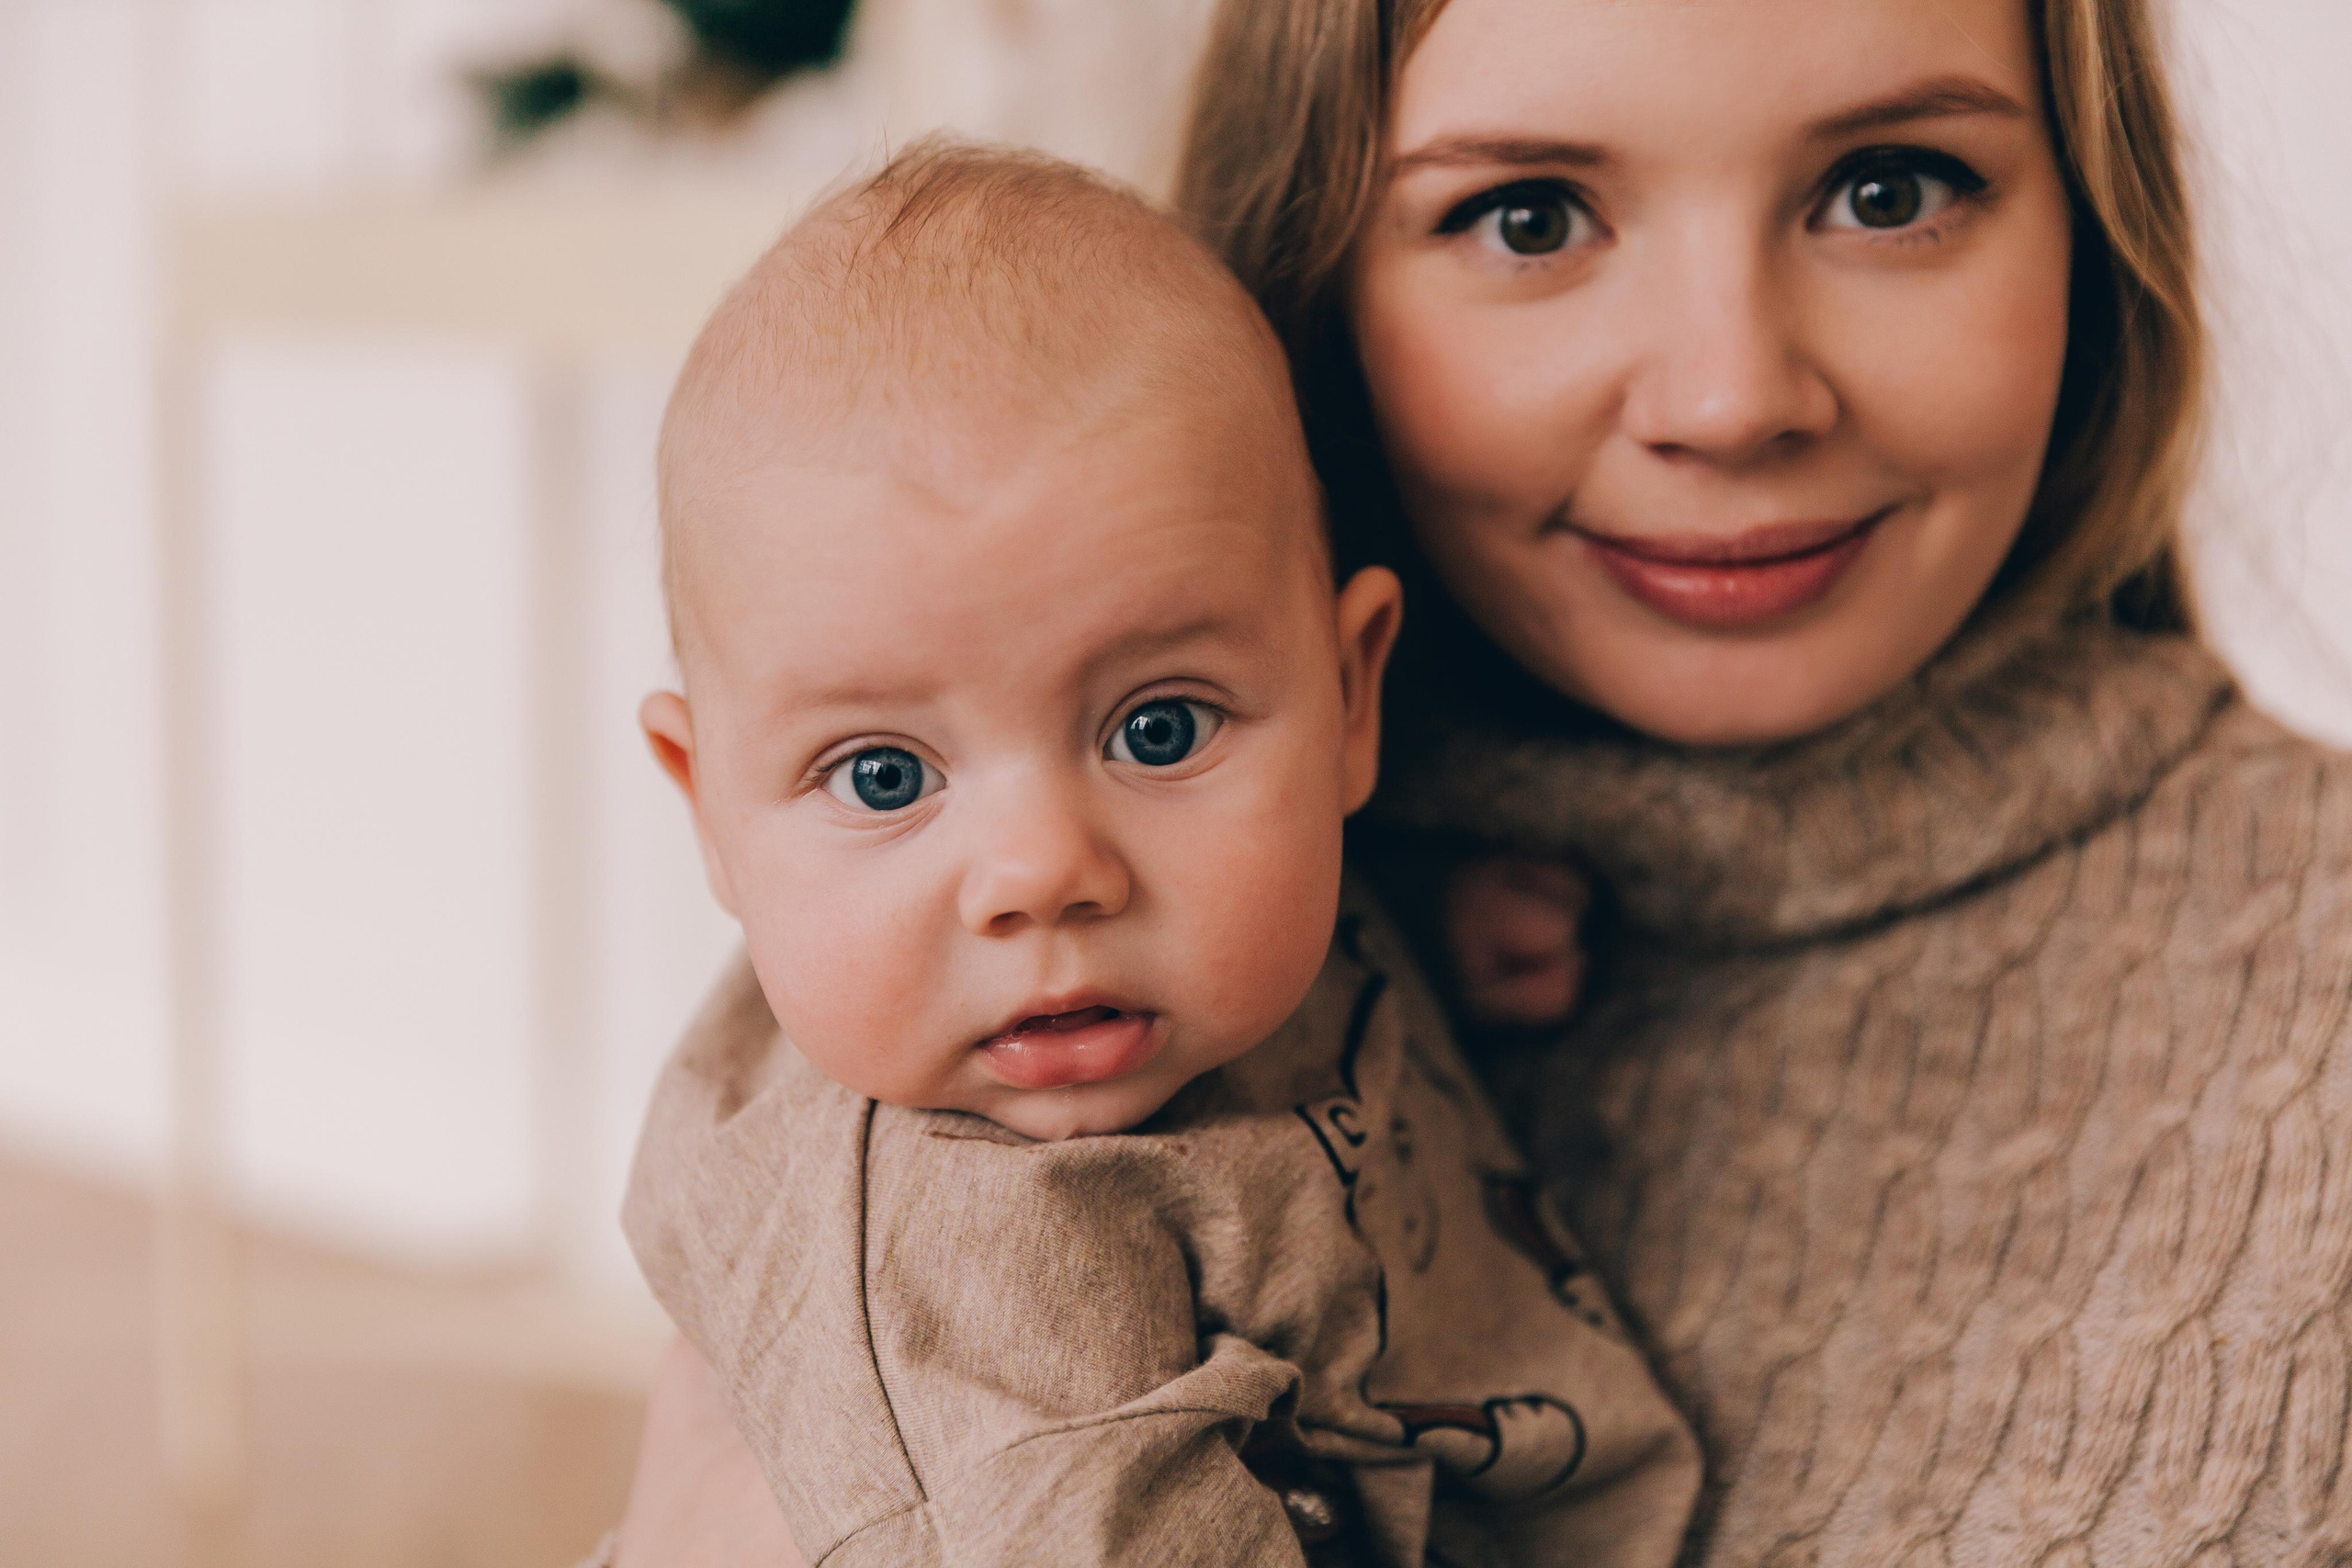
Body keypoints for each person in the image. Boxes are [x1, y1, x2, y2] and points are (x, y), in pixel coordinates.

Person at [612, 0, 2352, 1563]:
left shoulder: (1262, 907)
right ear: (1323, 276)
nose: (1731, 396)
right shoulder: (967, 1067)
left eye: (1889, 189)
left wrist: (1413, 916)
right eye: (1528, 215)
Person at [616, 140, 1698, 1568]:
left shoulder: (1201, 953)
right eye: (886, 775)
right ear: (710, 812)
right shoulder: (975, 1263)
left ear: (1348, 695)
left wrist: (1426, 928)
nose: (1043, 871)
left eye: (1160, 729)